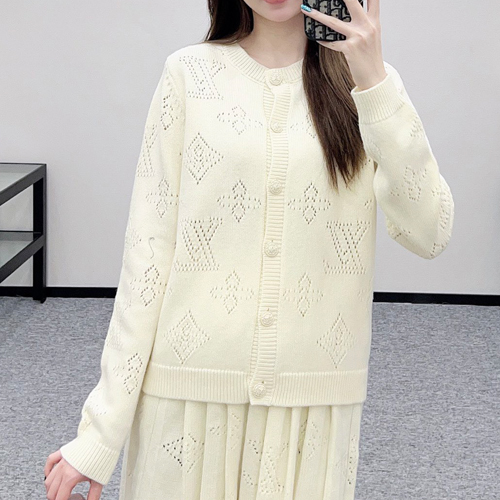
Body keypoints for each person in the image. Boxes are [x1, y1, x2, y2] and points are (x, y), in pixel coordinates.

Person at [44, 1, 455, 499]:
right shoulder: (188, 75)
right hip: (185, 400)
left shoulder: (370, 86)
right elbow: (146, 262)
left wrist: (373, 82)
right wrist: (100, 433)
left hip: (311, 415)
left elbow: (429, 233)